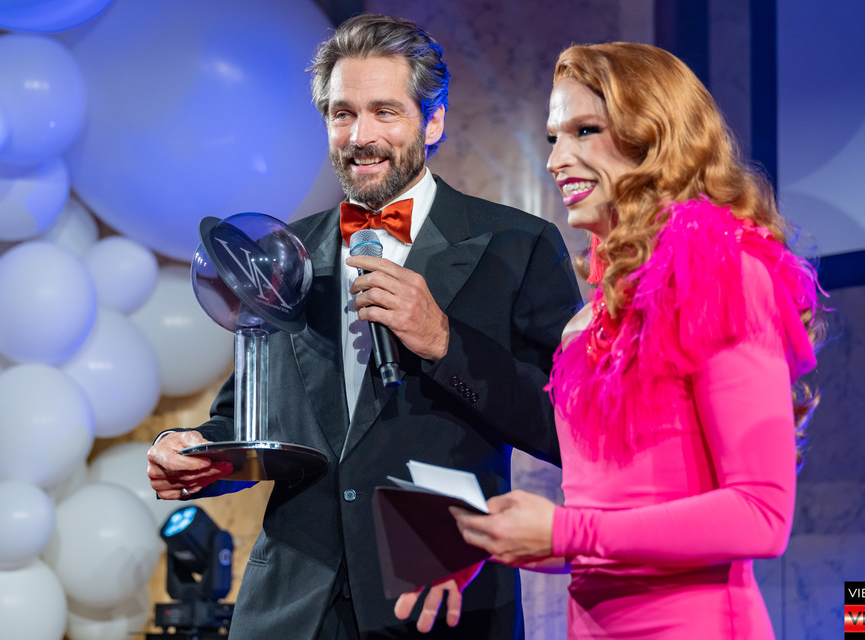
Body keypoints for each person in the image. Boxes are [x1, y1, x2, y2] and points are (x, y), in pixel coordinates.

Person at [146, 13, 581, 640]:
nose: (360, 136)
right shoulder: (283, 251)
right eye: (342, 113)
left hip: (440, 605)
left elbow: (569, 430)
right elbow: (247, 420)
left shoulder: (518, 244)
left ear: (433, 121)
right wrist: (194, 451)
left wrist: (445, 343)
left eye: (385, 112)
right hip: (293, 611)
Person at [450, 42, 827, 639]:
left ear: (655, 137)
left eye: (585, 130)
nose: (557, 159)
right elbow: (612, 529)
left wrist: (567, 532)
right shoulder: (585, 325)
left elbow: (762, 514)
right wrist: (494, 541)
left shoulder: (723, 275)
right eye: (553, 137)